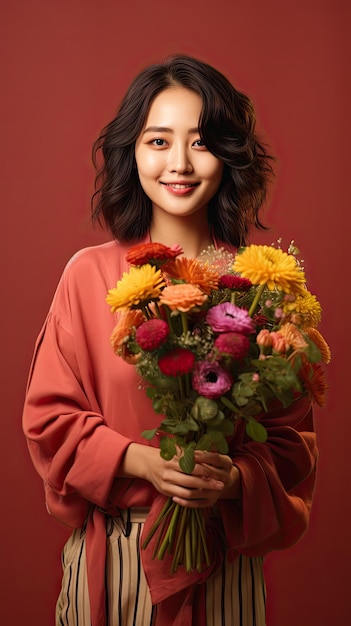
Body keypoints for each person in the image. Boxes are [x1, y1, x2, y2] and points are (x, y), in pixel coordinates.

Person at [22, 54, 317, 626]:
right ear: (132, 153)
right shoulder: (88, 276)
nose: (179, 163)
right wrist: (142, 462)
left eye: (201, 142)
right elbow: (48, 423)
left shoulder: (260, 286)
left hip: (222, 565)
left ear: (227, 156)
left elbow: (294, 450)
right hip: (113, 565)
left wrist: (232, 480)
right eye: (158, 141)